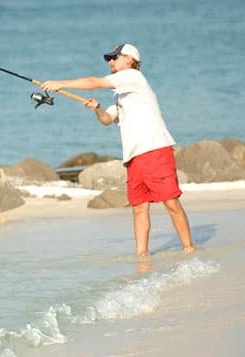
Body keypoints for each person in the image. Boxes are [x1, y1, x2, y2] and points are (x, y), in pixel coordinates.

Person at [40, 44, 194, 258]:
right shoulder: (120, 94)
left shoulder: (133, 77)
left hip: (155, 149)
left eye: (115, 58)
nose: (110, 62)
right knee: (139, 207)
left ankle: (189, 249)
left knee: (170, 202)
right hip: (134, 156)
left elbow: (94, 82)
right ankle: (142, 255)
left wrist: (61, 84)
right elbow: (107, 120)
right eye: (109, 59)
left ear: (130, 59)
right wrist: (98, 109)